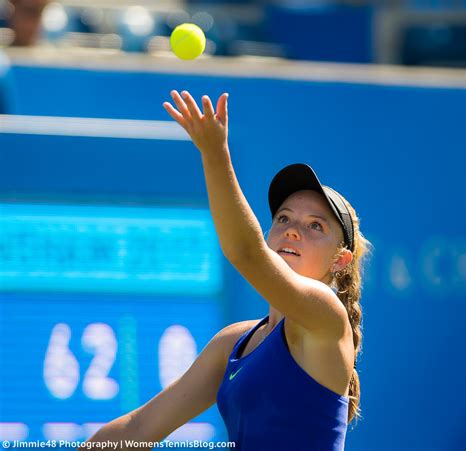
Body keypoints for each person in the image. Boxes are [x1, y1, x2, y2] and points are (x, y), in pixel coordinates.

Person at [86, 91, 371, 450]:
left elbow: (245, 253)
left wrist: (214, 152)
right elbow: (141, 428)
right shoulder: (232, 343)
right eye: (283, 218)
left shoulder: (325, 314)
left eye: (316, 226)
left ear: (339, 260)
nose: (293, 230)